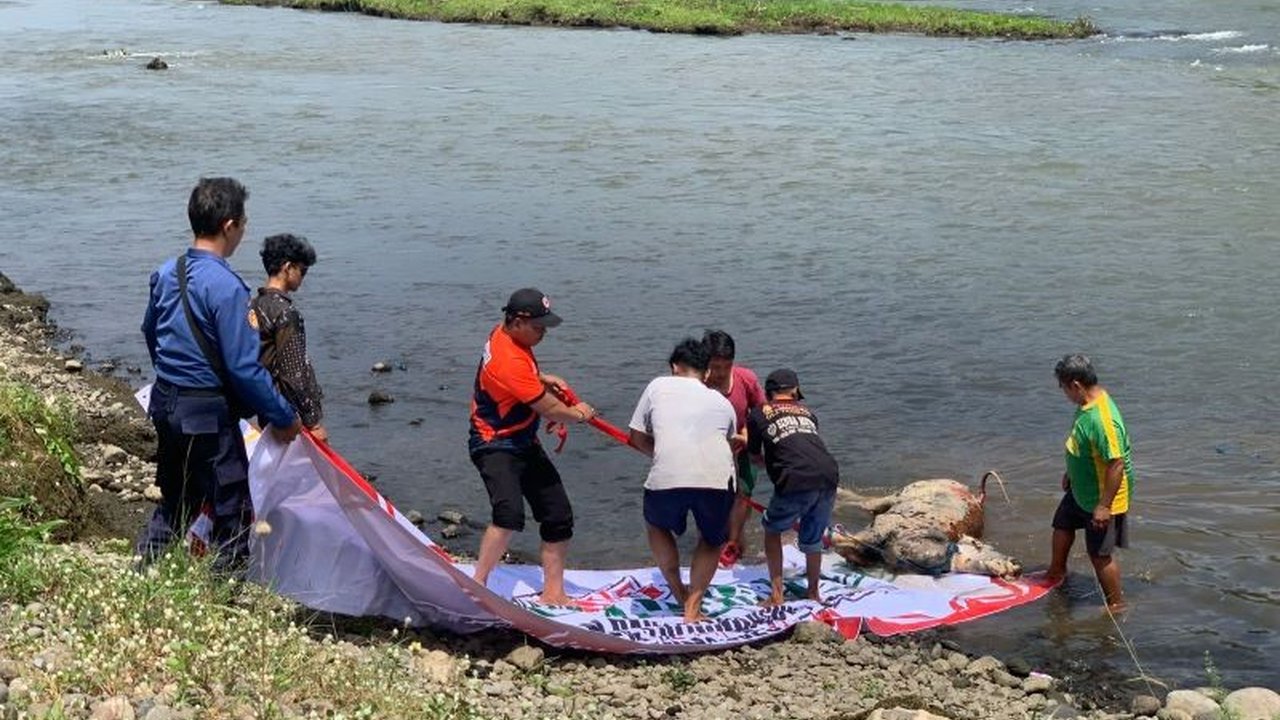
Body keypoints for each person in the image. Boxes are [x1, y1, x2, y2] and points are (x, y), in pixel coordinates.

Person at [138, 177, 302, 572]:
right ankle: (223, 589)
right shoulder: (228, 287)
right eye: (244, 224)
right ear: (230, 226)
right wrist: (283, 416)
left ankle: (143, 571)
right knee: (233, 505)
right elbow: (244, 368)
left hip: (166, 402)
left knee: (176, 497)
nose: (244, 231)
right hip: (206, 413)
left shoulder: (166, 272)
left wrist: (174, 374)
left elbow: (150, 331)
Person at [469, 288, 596, 604]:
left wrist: (540, 377)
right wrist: (579, 413)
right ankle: (477, 585)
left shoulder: (504, 334)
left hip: (524, 440)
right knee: (509, 514)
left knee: (558, 515)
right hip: (493, 443)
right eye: (539, 327)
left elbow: (515, 379)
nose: (544, 333)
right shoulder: (510, 360)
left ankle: (553, 593)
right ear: (517, 322)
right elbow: (551, 409)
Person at [628, 338, 739, 622]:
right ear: (706, 372)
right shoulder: (722, 401)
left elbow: (636, 437)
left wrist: (661, 453)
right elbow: (726, 444)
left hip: (667, 476)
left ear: (674, 367)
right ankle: (693, 609)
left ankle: (678, 591)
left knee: (657, 525)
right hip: (717, 478)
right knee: (712, 540)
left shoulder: (657, 386)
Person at [1046, 354, 1135, 611]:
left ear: (1076, 385)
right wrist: (1071, 471)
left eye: (1063, 388)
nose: (1064, 394)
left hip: (1103, 495)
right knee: (1062, 524)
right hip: (1081, 488)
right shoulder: (1087, 403)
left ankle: (1116, 604)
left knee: (1099, 555)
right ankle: (1056, 573)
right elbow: (1083, 444)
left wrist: (1104, 506)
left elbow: (1116, 464)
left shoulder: (1102, 420)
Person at [747, 369, 839, 606]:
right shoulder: (808, 413)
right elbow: (803, 445)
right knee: (813, 538)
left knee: (772, 529)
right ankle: (813, 593)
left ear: (768, 393)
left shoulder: (759, 413)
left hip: (795, 478)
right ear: (795, 391)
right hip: (829, 474)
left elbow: (754, 455)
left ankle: (777, 595)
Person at [250, 233, 326, 443]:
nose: (303, 276)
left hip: (266, 406)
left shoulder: (253, 305)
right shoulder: (286, 313)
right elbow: (294, 374)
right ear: (288, 267)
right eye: (303, 270)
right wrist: (313, 422)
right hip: (291, 417)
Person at [702, 330, 766, 567]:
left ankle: (733, 542)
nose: (720, 373)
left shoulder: (745, 378)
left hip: (743, 447)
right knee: (713, 500)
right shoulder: (696, 385)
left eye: (726, 367)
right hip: (709, 450)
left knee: (744, 494)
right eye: (714, 367)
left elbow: (762, 412)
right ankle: (718, 538)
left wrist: (749, 433)